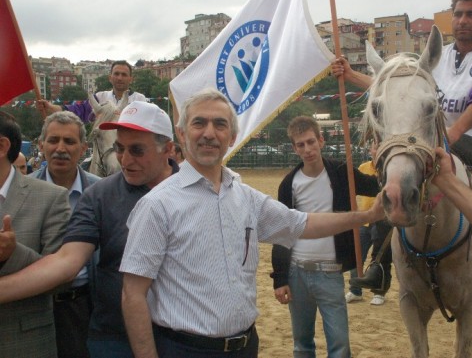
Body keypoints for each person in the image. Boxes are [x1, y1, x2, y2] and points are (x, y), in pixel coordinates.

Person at [118, 88, 384, 358]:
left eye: (220, 124)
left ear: (232, 137)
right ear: (183, 135)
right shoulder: (156, 205)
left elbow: (301, 224)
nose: (209, 132)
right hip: (185, 349)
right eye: (199, 122)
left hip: (245, 346)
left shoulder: (245, 197)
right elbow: (133, 295)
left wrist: (366, 216)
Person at [331, 0, 472, 297]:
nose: (462, 21)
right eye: (458, 14)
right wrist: (352, 75)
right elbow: (399, 88)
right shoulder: (438, 56)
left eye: (471, 14)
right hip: (430, 141)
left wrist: (454, 132)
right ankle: (381, 266)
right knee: (392, 189)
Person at [0, 101, 178, 358]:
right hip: (115, 340)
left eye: (137, 150)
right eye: (119, 148)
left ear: (168, 149)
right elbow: (66, 261)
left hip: (185, 340)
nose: (125, 160)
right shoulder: (99, 196)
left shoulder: (197, 191)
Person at [269, 116, 379, 358]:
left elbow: (376, 187)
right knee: (302, 345)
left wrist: (387, 160)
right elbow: (282, 232)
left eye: (311, 142)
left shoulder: (342, 172)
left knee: (340, 347)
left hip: (330, 272)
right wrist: (280, 278)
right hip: (297, 273)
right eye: (300, 145)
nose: (307, 149)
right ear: (294, 148)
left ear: (321, 140)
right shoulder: (289, 184)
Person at [30, 111, 101, 358]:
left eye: (69, 142)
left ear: (83, 148)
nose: (60, 148)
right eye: (53, 140)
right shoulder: (21, 191)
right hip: (33, 306)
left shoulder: (100, 192)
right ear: (41, 146)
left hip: (83, 306)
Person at [0, 110, 71, 358]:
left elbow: (62, 278)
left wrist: (12, 253)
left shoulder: (50, 198)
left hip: (21, 343)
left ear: (2, 146)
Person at [346, 152, 393, 306]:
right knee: (355, 256)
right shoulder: (363, 167)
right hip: (364, 220)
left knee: (380, 257)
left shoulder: (391, 168)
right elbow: (353, 189)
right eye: (375, 145)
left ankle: (379, 292)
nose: (377, 148)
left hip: (383, 220)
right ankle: (355, 290)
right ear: (372, 149)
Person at [36, 60, 146, 123]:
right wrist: (50, 107)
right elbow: (78, 111)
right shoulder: (100, 97)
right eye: (116, 74)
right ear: (110, 77)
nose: (120, 78)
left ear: (131, 79)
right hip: (103, 151)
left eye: (124, 74)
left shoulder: (139, 99)